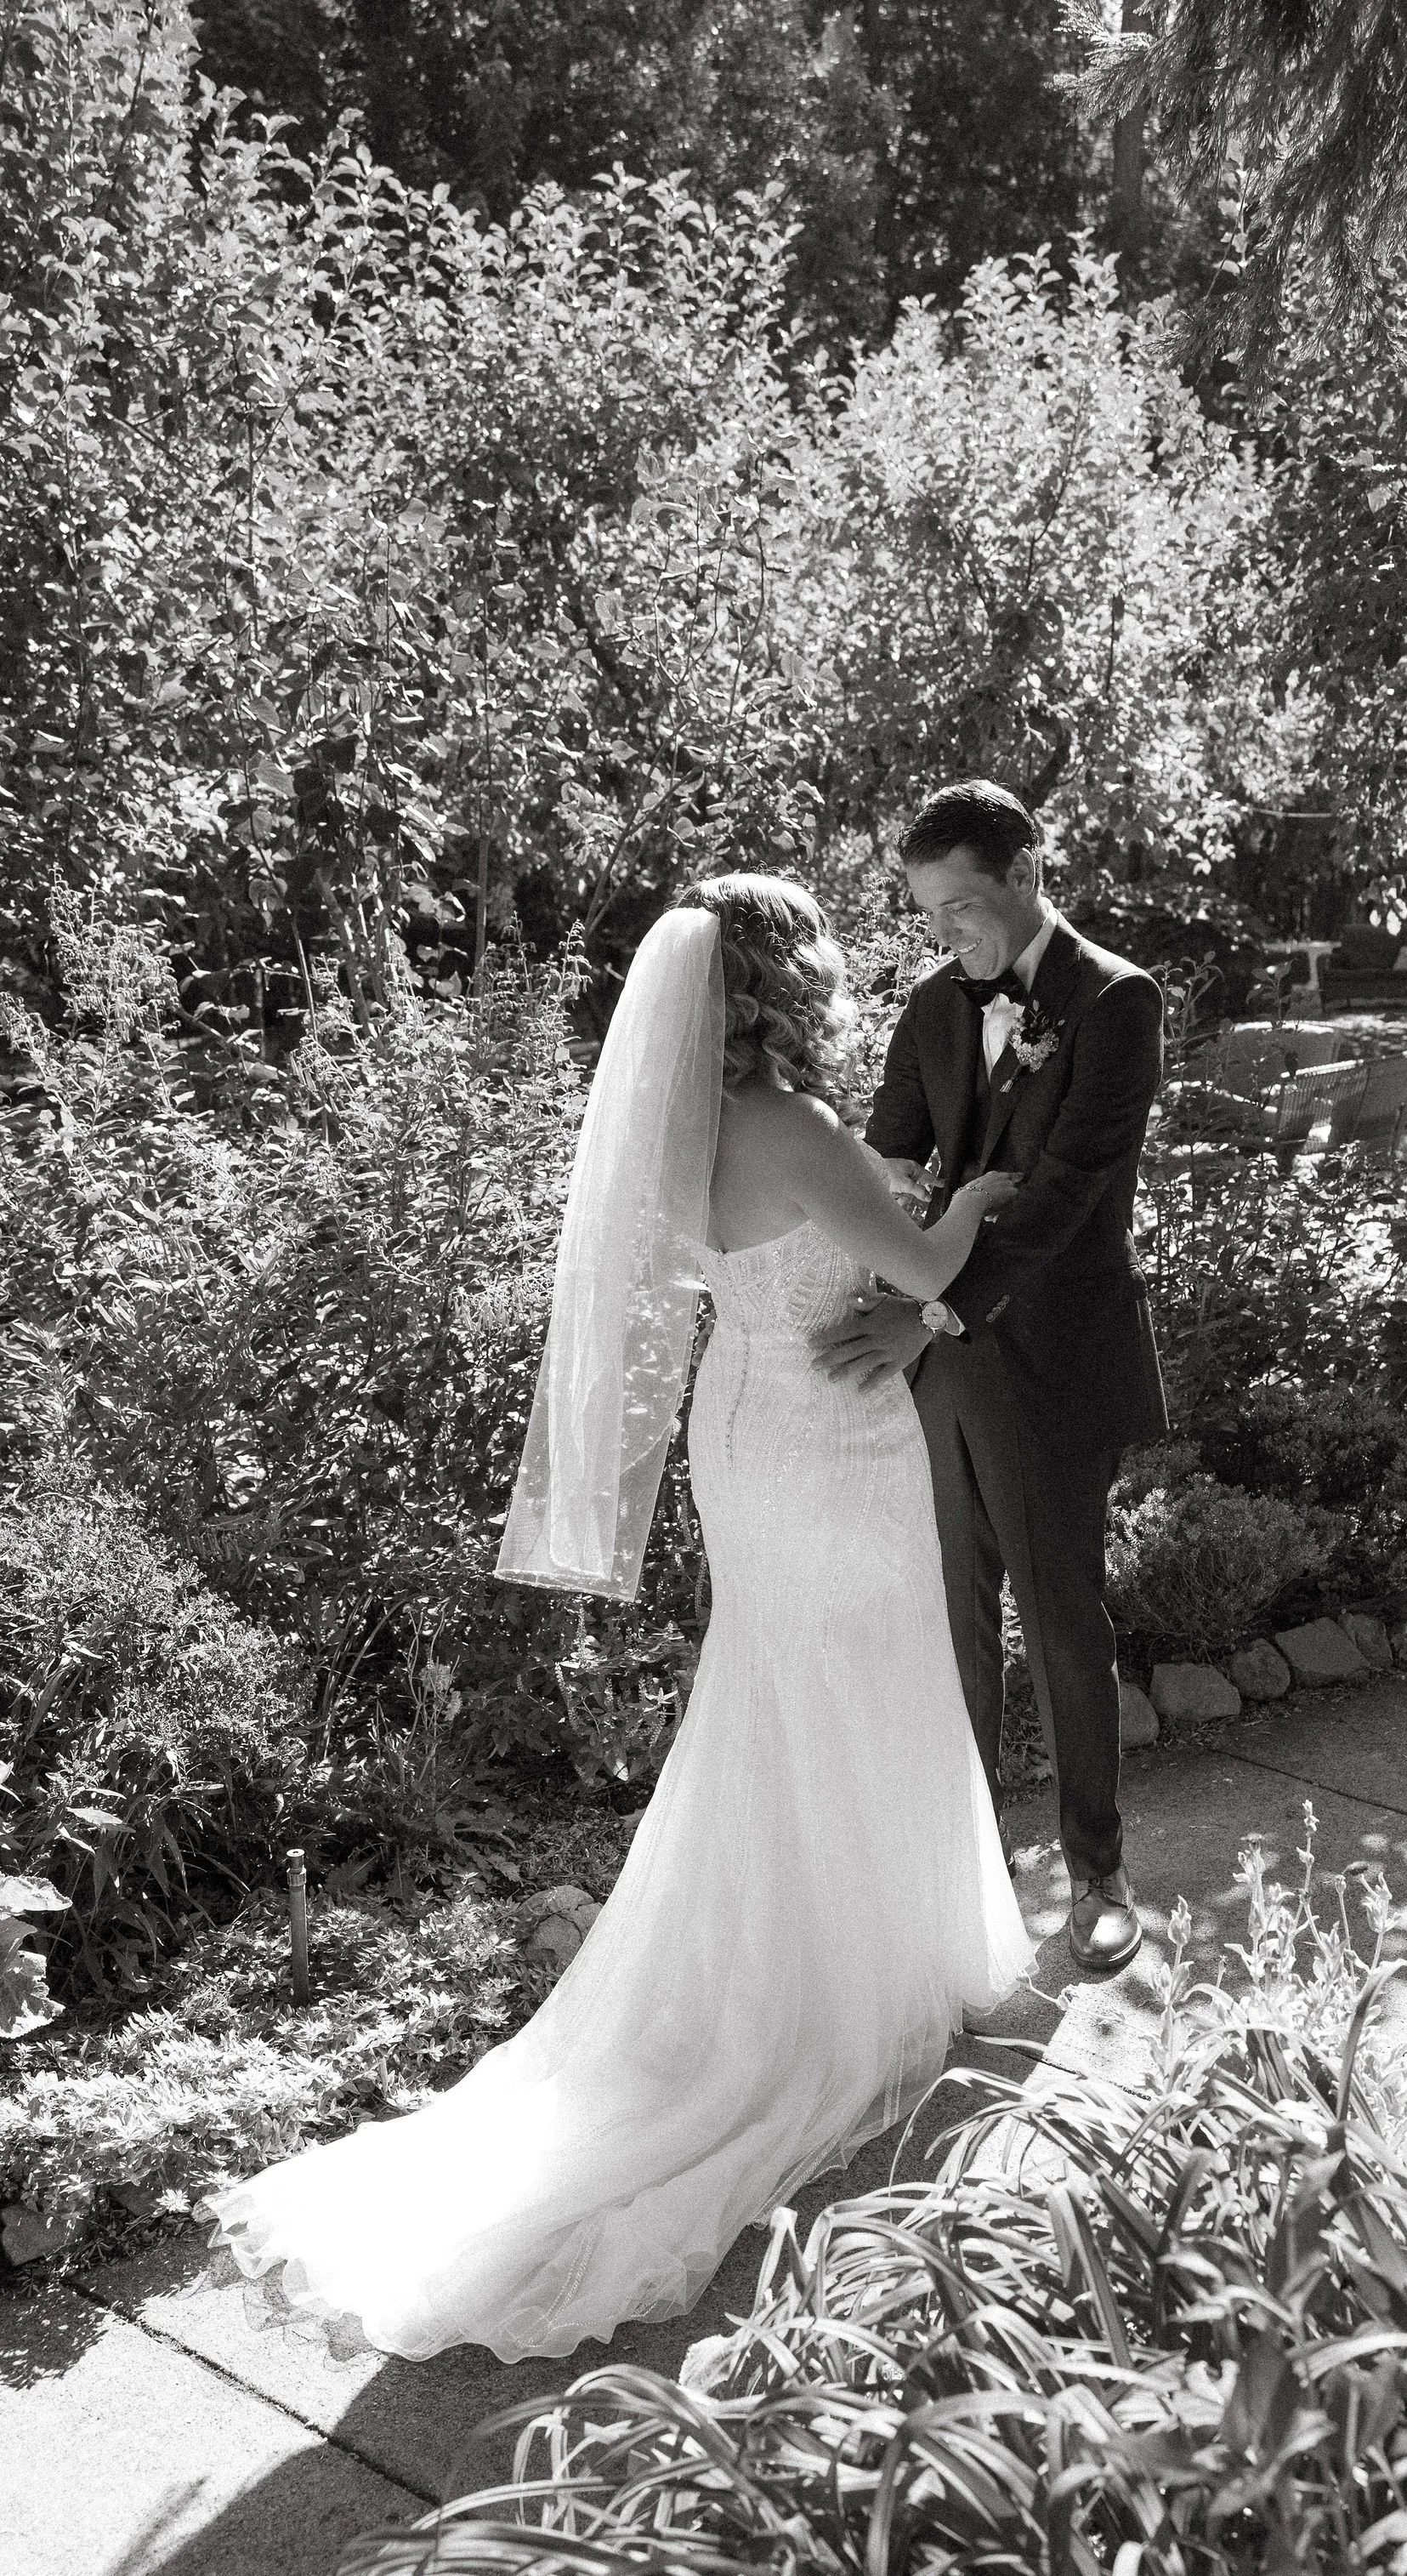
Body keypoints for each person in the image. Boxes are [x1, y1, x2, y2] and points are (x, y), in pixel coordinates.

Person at [204, 876, 1033, 2364]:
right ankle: (861, 1986)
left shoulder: (682, 1133)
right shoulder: (802, 1130)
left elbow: (728, 1276)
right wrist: (967, 1205)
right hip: (835, 1441)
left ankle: (819, 1960)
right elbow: (919, 1273)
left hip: (747, 1429)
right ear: (789, 986)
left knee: (781, 1698)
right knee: (865, 1685)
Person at [816, 782, 1166, 1974]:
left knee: (1064, 1620)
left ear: (1025, 875)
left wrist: (936, 1311)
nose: (947, 933)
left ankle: (1099, 1873)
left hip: (1053, 1358)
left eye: (962, 906)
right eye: (929, 914)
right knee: (950, 1624)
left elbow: (1068, 1198)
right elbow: (886, 1162)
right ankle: (960, 1880)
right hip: (939, 1367)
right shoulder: (928, 1006)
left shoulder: (1116, 1002)